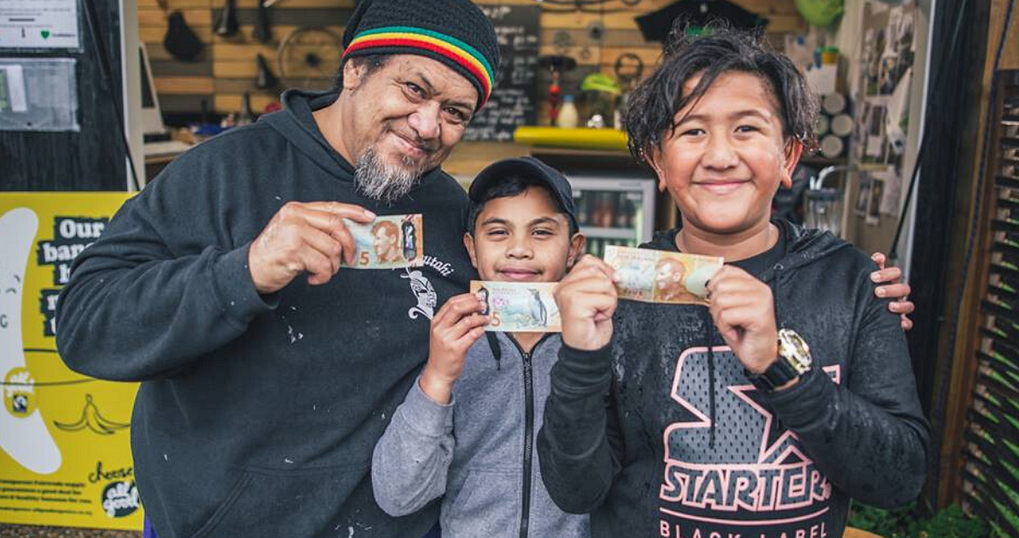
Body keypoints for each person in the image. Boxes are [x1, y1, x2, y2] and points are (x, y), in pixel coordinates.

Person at [54, 0, 500, 536]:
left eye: (455, 113)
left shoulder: (453, 212)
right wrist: (245, 271)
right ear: (355, 69)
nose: (429, 125)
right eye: (414, 89)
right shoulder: (225, 171)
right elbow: (86, 324)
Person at [537, 27, 928, 538]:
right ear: (658, 159)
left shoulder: (853, 282)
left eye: (746, 129)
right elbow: (575, 490)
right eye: (693, 131)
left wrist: (780, 366)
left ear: (788, 156)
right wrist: (582, 356)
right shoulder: (621, 291)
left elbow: (899, 479)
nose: (720, 155)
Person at [371, 157, 590, 538]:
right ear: (471, 249)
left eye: (541, 233)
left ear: (573, 249)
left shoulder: (596, 342)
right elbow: (397, 495)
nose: (519, 250)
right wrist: (438, 377)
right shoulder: (450, 340)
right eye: (498, 232)